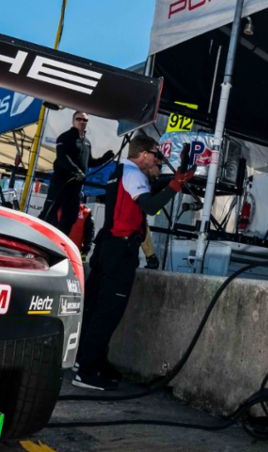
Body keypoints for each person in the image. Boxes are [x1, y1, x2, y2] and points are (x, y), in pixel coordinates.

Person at [73, 134, 194, 390]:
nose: (157, 159)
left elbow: (150, 187)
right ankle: (86, 371)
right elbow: (149, 206)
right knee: (108, 312)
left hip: (108, 249)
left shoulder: (121, 171)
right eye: (155, 154)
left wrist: (172, 180)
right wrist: (174, 186)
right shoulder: (134, 175)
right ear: (142, 154)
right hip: (119, 250)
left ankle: (88, 360)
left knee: (97, 308)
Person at [44, 110, 113, 237]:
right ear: (73, 121)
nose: (82, 122)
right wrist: (76, 171)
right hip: (61, 184)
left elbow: (89, 162)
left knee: (71, 216)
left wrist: (105, 158)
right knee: (50, 213)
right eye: (79, 119)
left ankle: (62, 241)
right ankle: (44, 238)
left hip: (76, 187)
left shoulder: (87, 142)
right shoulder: (64, 137)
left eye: (85, 120)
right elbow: (62, 157)